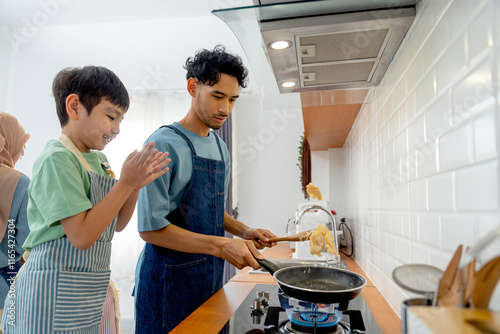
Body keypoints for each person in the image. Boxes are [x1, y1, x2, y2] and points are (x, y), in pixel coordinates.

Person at [1, 66, 170, 334]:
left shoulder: (100, 161)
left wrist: (134, 186)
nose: (116, 129)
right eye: (111, 116)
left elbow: (115, 225)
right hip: (48, 294)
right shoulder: (57, 158)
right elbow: (81, 236)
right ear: (75, 107)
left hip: (83, 295)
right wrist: (125, 182)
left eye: (121, 120)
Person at [134, 45, 277, 333]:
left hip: (208, 282)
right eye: (217, 96)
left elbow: (210, 211)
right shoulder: (162, 144)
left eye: (233, 99)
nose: (225, 109)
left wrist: (244, 231)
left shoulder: (220, 147)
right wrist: (222, 245)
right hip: (166, 286)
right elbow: (149, 228)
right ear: (192, 87)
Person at [0, 112, 30, 321]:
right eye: (22, 143)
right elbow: (26, 240)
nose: (23, 151)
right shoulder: (21, 182)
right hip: (5, 286)